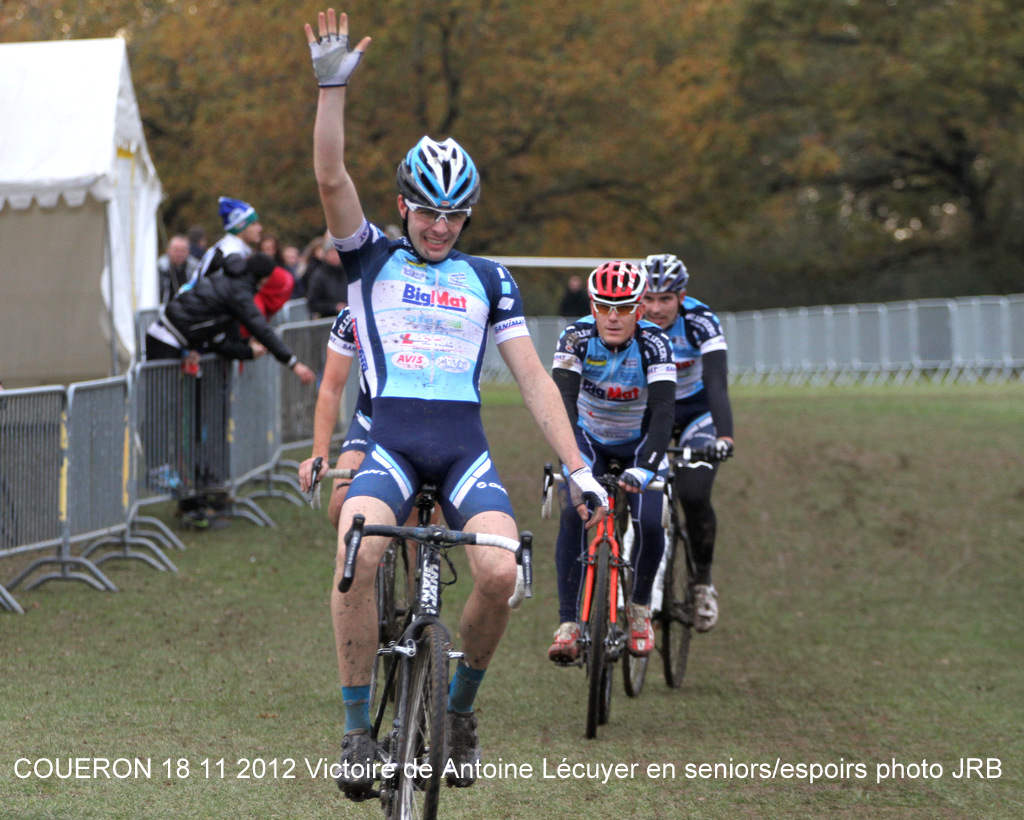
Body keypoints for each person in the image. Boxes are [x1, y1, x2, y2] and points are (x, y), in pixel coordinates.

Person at [303, 8, 607, 796]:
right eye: (428, 210)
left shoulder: (490, 278)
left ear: (468, 214)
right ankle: (353, 726)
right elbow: (332, 178)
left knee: (502, 574)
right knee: (360, 551)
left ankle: (461, 711)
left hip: (462, 445)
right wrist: (331, 90)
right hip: (393, 443)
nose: (440, 226)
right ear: (404, 205)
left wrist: (578, 468)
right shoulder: (368, 259)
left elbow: (535, 377)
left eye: (454, 213)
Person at [547, 261, 677, 663]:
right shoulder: (575, 337)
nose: (614, 317)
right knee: (574, 512)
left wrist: (647, 467)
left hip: (640, 443)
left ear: (640, 308)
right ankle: (569, 622)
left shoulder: (656, 344)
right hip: (588, 439)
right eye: (604, 307)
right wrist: (575, 469)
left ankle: (638, 608)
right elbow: (561, 407)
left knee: (651, 521)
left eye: (624, 307)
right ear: (593, 305)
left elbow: (664, 413)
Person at [145, 252, 316, 527]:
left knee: (187, 422)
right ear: (262, 280)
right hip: (166, 342)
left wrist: (236, 351)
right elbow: (259, 328)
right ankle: (167, 478)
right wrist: (292, 362)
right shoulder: (237, 290)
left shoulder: (229, 282)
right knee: (173, 418)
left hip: (176, 344)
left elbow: (216, 337)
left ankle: (191, 499)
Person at [639, 253, 734, 632]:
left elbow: (716, 382)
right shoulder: (629, 318)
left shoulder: (701, 321)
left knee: (694, 495)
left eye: (666, 299)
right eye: (650, 298)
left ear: (682, 297)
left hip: (696, 412)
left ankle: (702, 584)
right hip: (648, 410)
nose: (656, 308)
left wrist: (724, 436)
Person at [192, 196, 263, 282]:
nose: (260, 228)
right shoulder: (228, 252)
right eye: (253, 224)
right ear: (240, 227)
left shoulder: (240, 250)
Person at [304, 238, 348, 318]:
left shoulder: (350, 271)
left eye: (336, 253)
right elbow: (313, 302)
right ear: (325, 255)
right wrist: (334, 307)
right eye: (331, 253)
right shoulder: (318, 275)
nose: (334, 256)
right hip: (328, 319)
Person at [158, 235, 200, 304]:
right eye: (176, 250)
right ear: (168, 250)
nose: (179, 254)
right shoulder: (160, 268)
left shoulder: (195, 267)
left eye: (183, 251)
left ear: (188, 252)